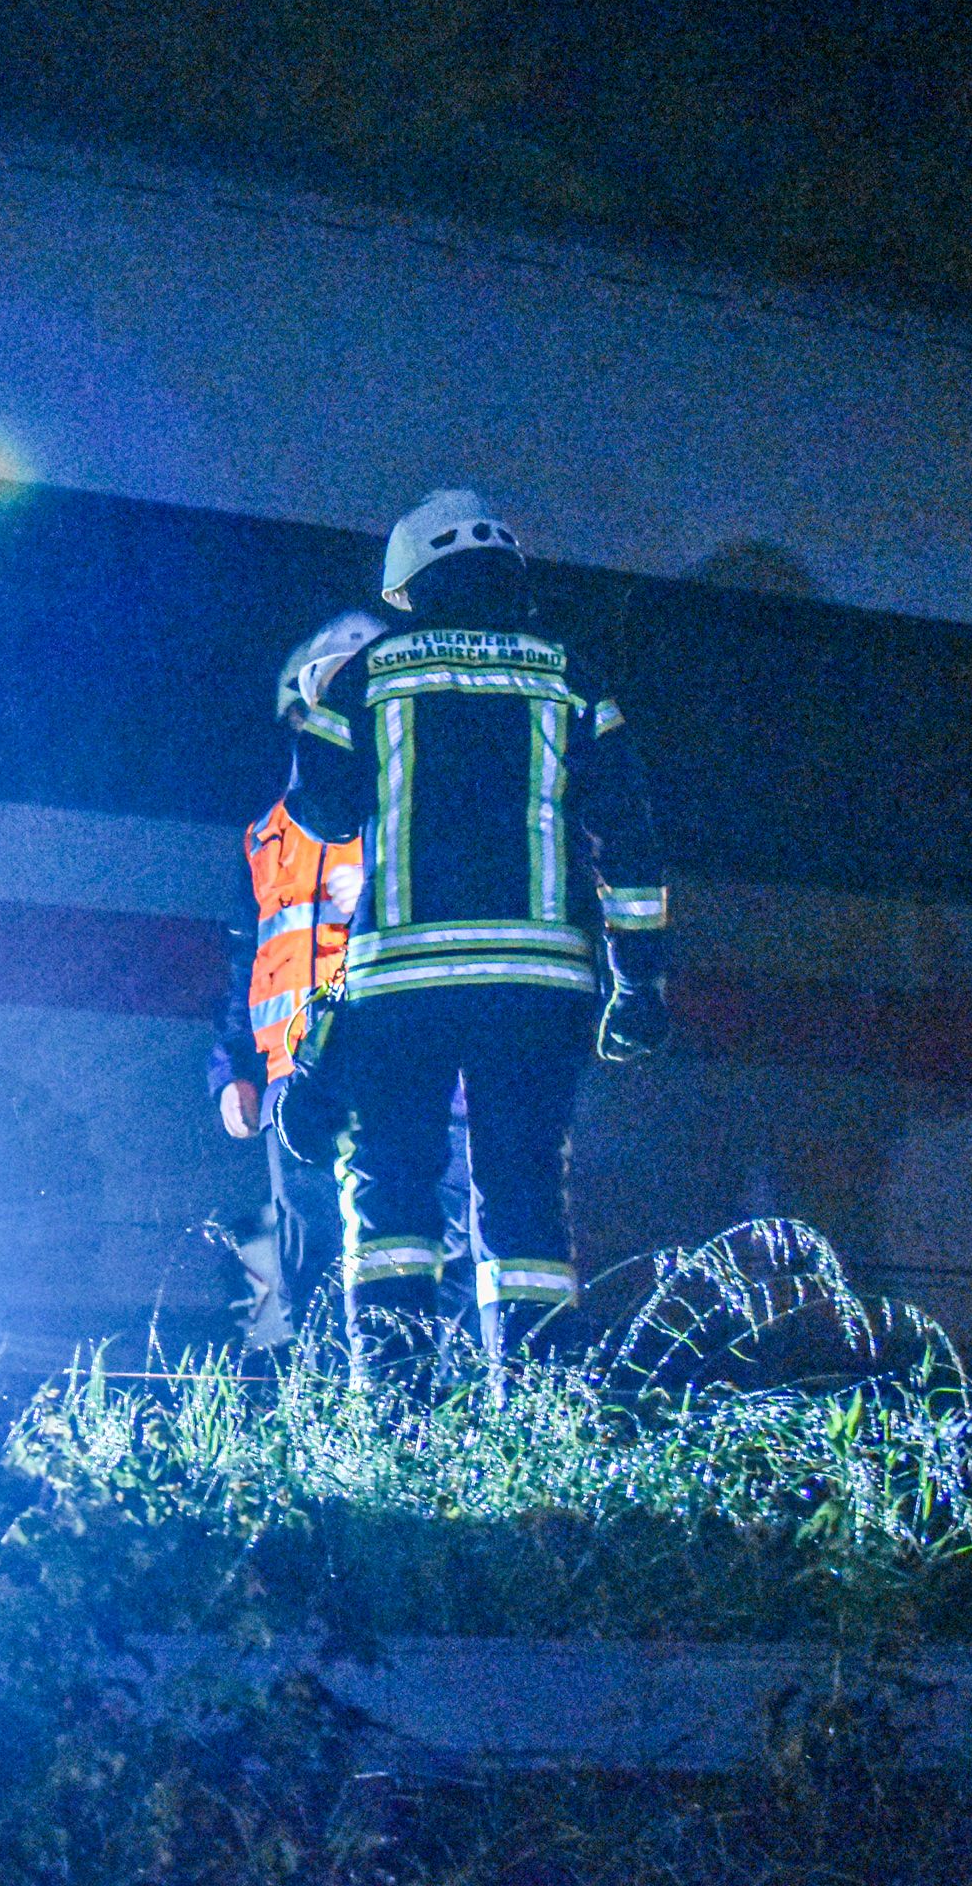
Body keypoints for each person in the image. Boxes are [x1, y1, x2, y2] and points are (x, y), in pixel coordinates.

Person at [285, 489, 672, 1377]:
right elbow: (631, 833)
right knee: (526, 1193)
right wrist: (639, 980)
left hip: (402, 989)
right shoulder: (573, 675)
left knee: (392, 1199)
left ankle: (393, 1410)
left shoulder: (373, 671)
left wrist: (316, 708)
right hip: (539, 986)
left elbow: (324, 813)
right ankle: (537, 1413)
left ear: (411, 580)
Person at [211, 612, 379, 1351]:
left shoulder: (400, 813)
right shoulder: (263, 838)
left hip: (385, 1069)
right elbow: (246, 966)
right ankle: (324, 1413)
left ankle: (418, 1413)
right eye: (311, 714)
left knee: (395, 1248)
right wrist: (233, 1071)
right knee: (310, 1265)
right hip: (290, 1086)